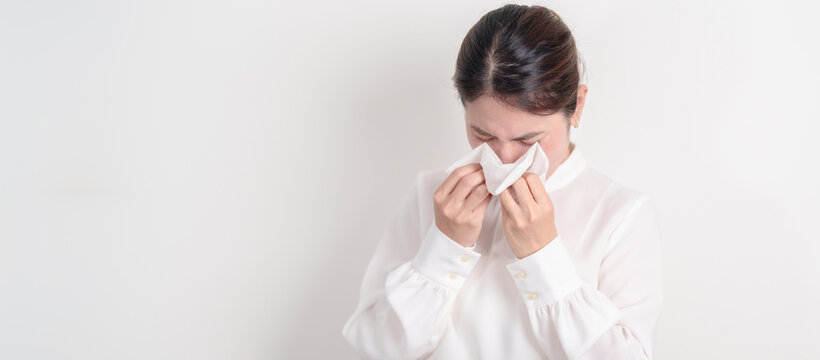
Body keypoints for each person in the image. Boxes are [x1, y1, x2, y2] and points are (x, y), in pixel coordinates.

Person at [342, 4, 662, 359]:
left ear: (578, 106)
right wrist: (443, 249)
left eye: (529, 140)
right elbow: (377, 348)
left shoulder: (619, 214)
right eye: (482, 134)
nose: (504, 158)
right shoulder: (429, 194)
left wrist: (542, 257)